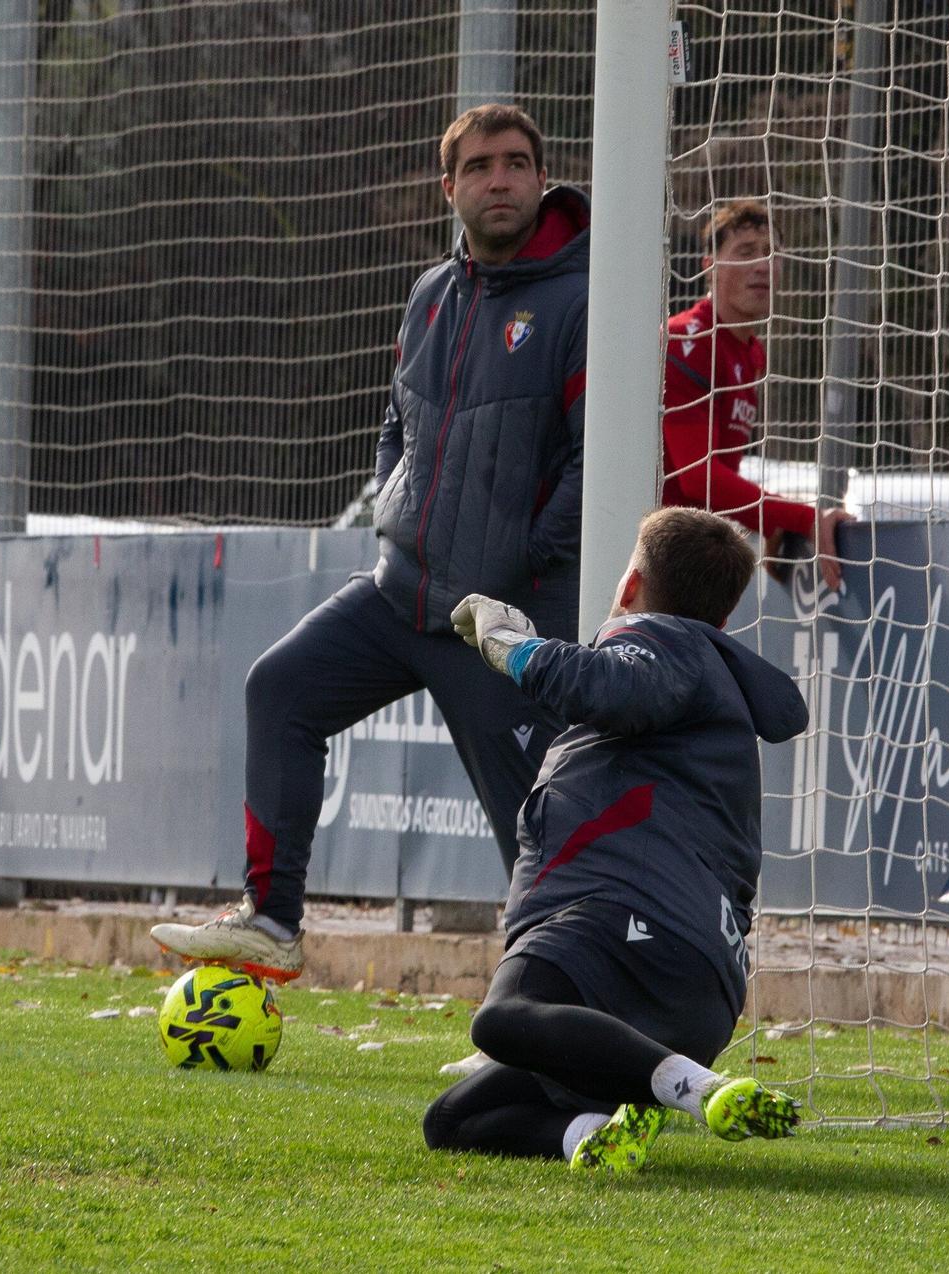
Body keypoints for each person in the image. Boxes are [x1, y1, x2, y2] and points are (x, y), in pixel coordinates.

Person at [151, 105, 589, 982]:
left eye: (514, 163)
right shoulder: (432, 294)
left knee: (536, 826)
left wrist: (526, 569)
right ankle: (272, 922)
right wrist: (398, 512)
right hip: (402, 592)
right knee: (280, 687)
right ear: (450, 187)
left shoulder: (584, 300)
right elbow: (398, 426)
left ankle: (549, 1007)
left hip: (501, 620)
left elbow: (595, 457)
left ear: (543, 178)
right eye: (478, 167)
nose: (498, 179)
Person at [421, 506, 807, 1171]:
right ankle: (593, 1136)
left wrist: (511, 645)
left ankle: (689, 1088)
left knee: (503, 1017)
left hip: (626, 922)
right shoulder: (706, 684)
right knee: (454, 1118)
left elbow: (613, 685)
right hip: (698, 990)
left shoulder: (660, 639)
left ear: (630, 586)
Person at [661, 197, 853, 593]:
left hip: (681, 554)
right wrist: (795, 517)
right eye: (746, 252)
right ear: (709, 267)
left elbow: (717, 478)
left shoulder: (752, 353)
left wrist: (764, 518)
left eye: (772, 254)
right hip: (640, 549)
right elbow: (697, 477)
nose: (763, 266)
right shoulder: (685, 342)